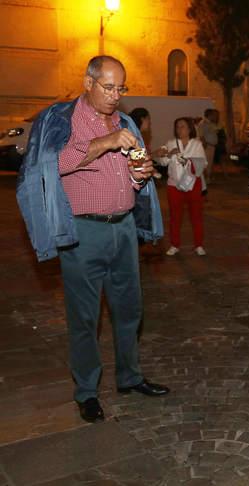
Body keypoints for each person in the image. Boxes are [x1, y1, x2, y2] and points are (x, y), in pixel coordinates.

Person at [16, 55, 169, 423]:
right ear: (88, 82)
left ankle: (129, 378)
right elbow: (54, 164)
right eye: (109, 87)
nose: (116, 95)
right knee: (85, 317)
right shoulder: (63, 120)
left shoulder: (125, 121)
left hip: (124, 228)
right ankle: (86, 391)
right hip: (83, 232)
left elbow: (131, 176)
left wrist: (140, 173)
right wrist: (105, 142)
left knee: (129, 310)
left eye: (122, 88)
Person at [155, 117, 208, 256]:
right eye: (177, 127)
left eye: (182, 126)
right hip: (174, 184)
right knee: (175, 216)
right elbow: (163, 162)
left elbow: (203, 163)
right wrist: (167, 154)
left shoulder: (196, 144)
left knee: (196, 215)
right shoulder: (171, 143)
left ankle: (199, 245)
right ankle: (174, 244)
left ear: (190, 128)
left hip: (193, 184)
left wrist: (186, 160)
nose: (179, 129)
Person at [198, 108, 219, 183]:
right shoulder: (203, 123)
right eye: (213, 115)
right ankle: (205, 179)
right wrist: (204, 144)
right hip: (207, 146)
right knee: (206, 163)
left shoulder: (211, 123)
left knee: (210, 163)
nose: (215, 116)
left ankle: (208, 178)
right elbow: (201, 135)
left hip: (211, 146)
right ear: (209, 115)